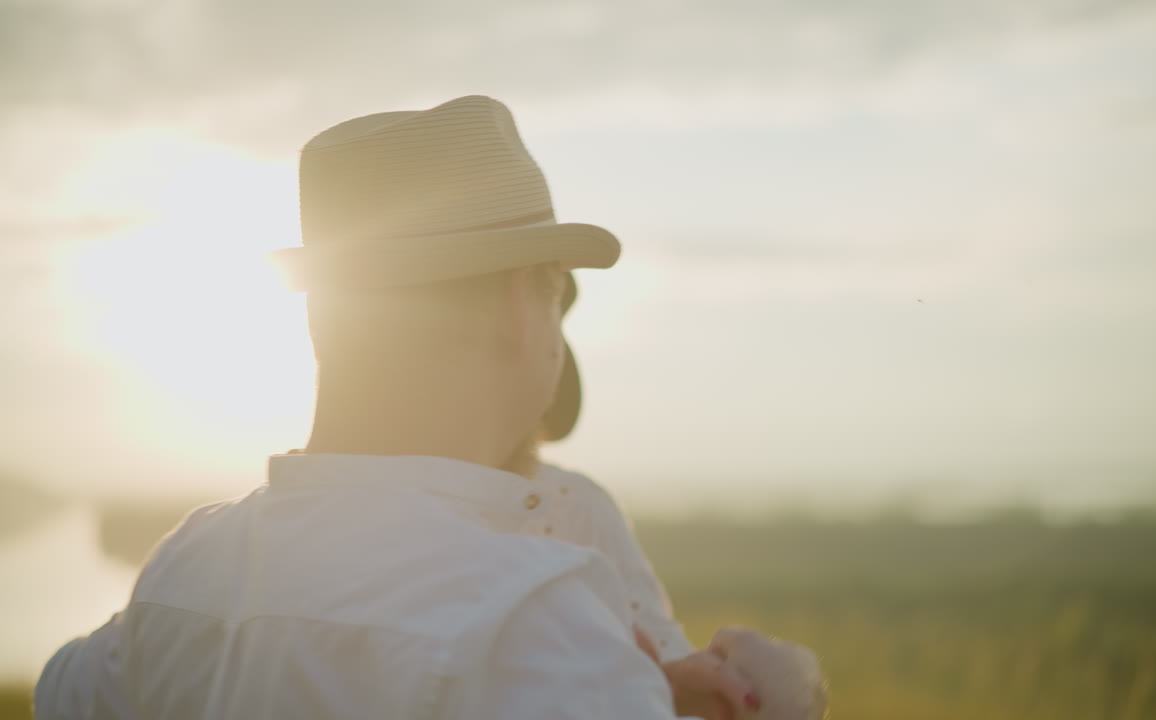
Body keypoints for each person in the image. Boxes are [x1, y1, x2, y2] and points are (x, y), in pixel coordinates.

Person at [33, 95, 771, 719]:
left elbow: (60, 688)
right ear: (522, 301)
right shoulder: (527, 618)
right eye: (556, 292)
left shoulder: (183, 573)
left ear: (323, 317)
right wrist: (789, 702)